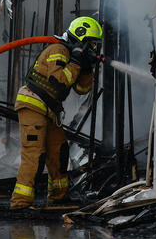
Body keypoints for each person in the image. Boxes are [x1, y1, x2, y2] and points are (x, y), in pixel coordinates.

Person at [9, 16, 101, 209]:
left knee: (59, 151)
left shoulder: (72, 56)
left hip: (49, 110)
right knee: (34, 154)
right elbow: (58, 81)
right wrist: (76, 62)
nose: (92, 47)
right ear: (81, 38)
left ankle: (59, 197)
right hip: (33, 106)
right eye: (91, 43)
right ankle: (20, 203)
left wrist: (86, 68)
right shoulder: (58, 50)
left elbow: (82, 90)